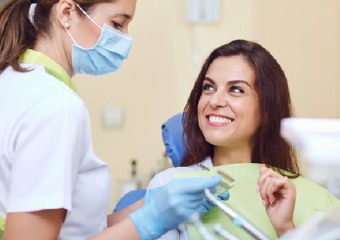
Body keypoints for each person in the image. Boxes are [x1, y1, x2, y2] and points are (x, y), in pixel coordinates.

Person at [0, 0, 223, 239]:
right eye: (117, 24)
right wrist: (152, 220)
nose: (125, 40)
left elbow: (74, 230)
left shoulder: (13, 82)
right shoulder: (56, 106)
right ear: (67, 12)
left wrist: (148, 204)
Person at [145, 39, 340, 239]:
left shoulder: (320, 199)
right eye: (208, 87)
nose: (214, 101)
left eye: (236, 89)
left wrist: (286, 229)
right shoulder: (169, 186)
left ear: (266, 110)